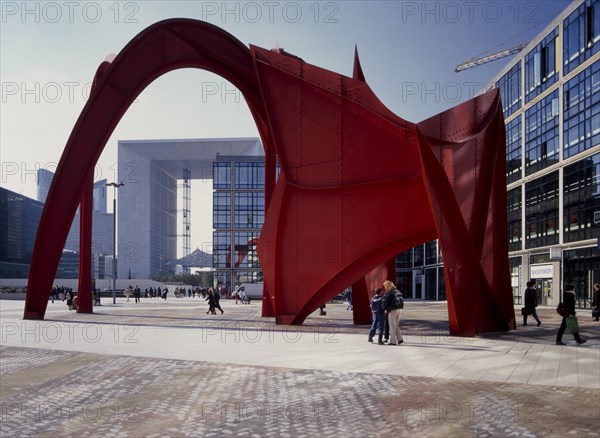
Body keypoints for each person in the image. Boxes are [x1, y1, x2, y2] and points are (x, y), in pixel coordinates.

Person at [381, 280, 404, 345]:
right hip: (399, 309)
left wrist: (383, 309)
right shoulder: (397, 291)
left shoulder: (388, 293)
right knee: (396, 325)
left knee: (392, 326)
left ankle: (392, 341)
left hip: (392, 310)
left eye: (385, 286)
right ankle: (400, 339)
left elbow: (384, 302)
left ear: (387, 286)